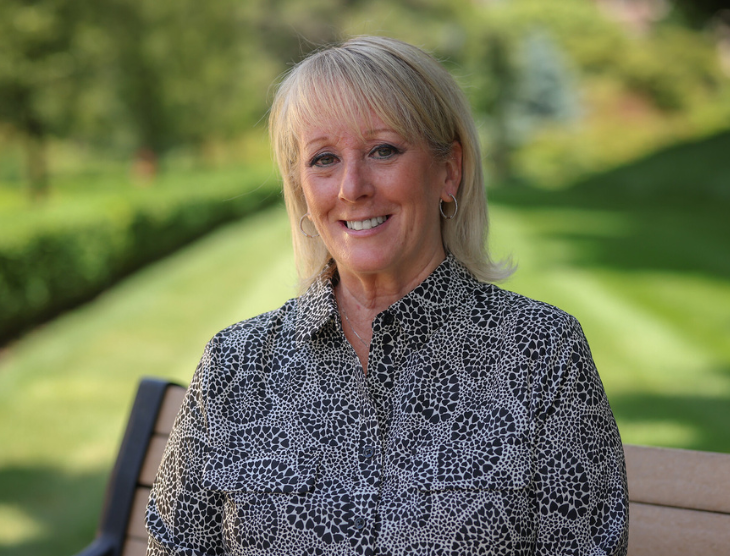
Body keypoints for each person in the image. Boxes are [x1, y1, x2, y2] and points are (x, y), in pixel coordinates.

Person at [146, 35, 629, 556]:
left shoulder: (541, 353)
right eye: (324, 159)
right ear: (303, 191)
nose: (352, 187)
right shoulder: (235, 365)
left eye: (383, 150)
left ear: (450, 170)